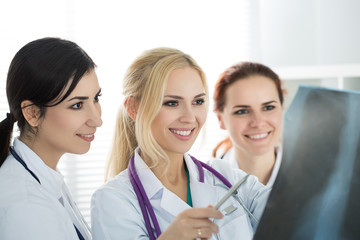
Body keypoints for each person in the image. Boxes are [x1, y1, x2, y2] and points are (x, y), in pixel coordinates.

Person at [91, 48, 271, 240]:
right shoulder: (113, 200)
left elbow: (294, 215)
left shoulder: (229, 179)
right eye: (172, 103)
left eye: (198, 101)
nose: (190, 117)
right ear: (134, 108)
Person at [0, 37, 102, 240]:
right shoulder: (26, 208)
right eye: (77, 105)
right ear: (32, 114)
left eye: (96, 98)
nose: (97, 120)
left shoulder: (44, 177)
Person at [212, 62, 284, 186]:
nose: (258, 123)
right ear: (220, 119)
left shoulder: (314, 181)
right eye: (242, 111)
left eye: (268, 107)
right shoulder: (202, 184)